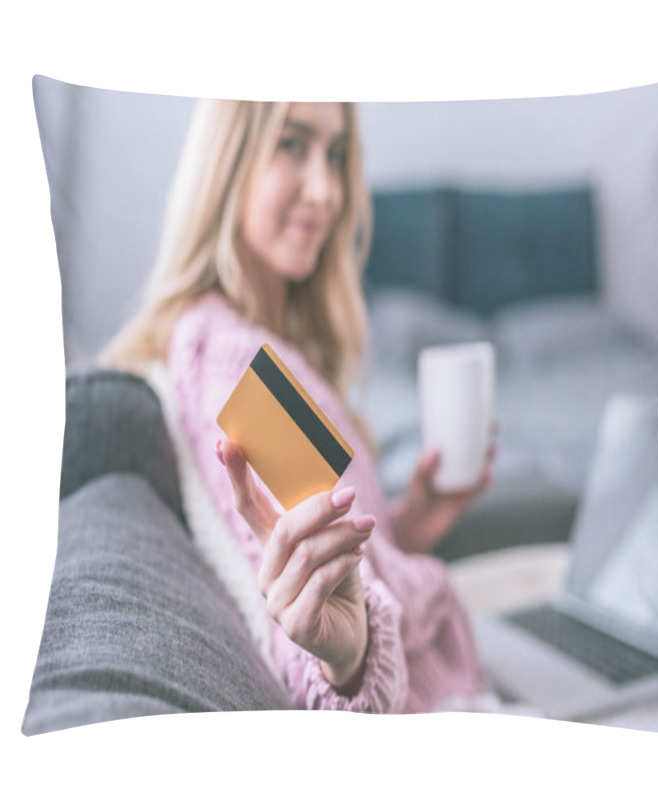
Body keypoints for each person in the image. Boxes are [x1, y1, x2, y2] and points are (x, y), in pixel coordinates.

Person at [101, 99, 495, 712]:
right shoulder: (236, 361)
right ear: (228, 163)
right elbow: (311, 627)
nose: (326, 190)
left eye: (336, 156)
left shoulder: (254, 346)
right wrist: (347, 655)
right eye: (292, 144)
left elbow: (338, 557)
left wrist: (409, 523)